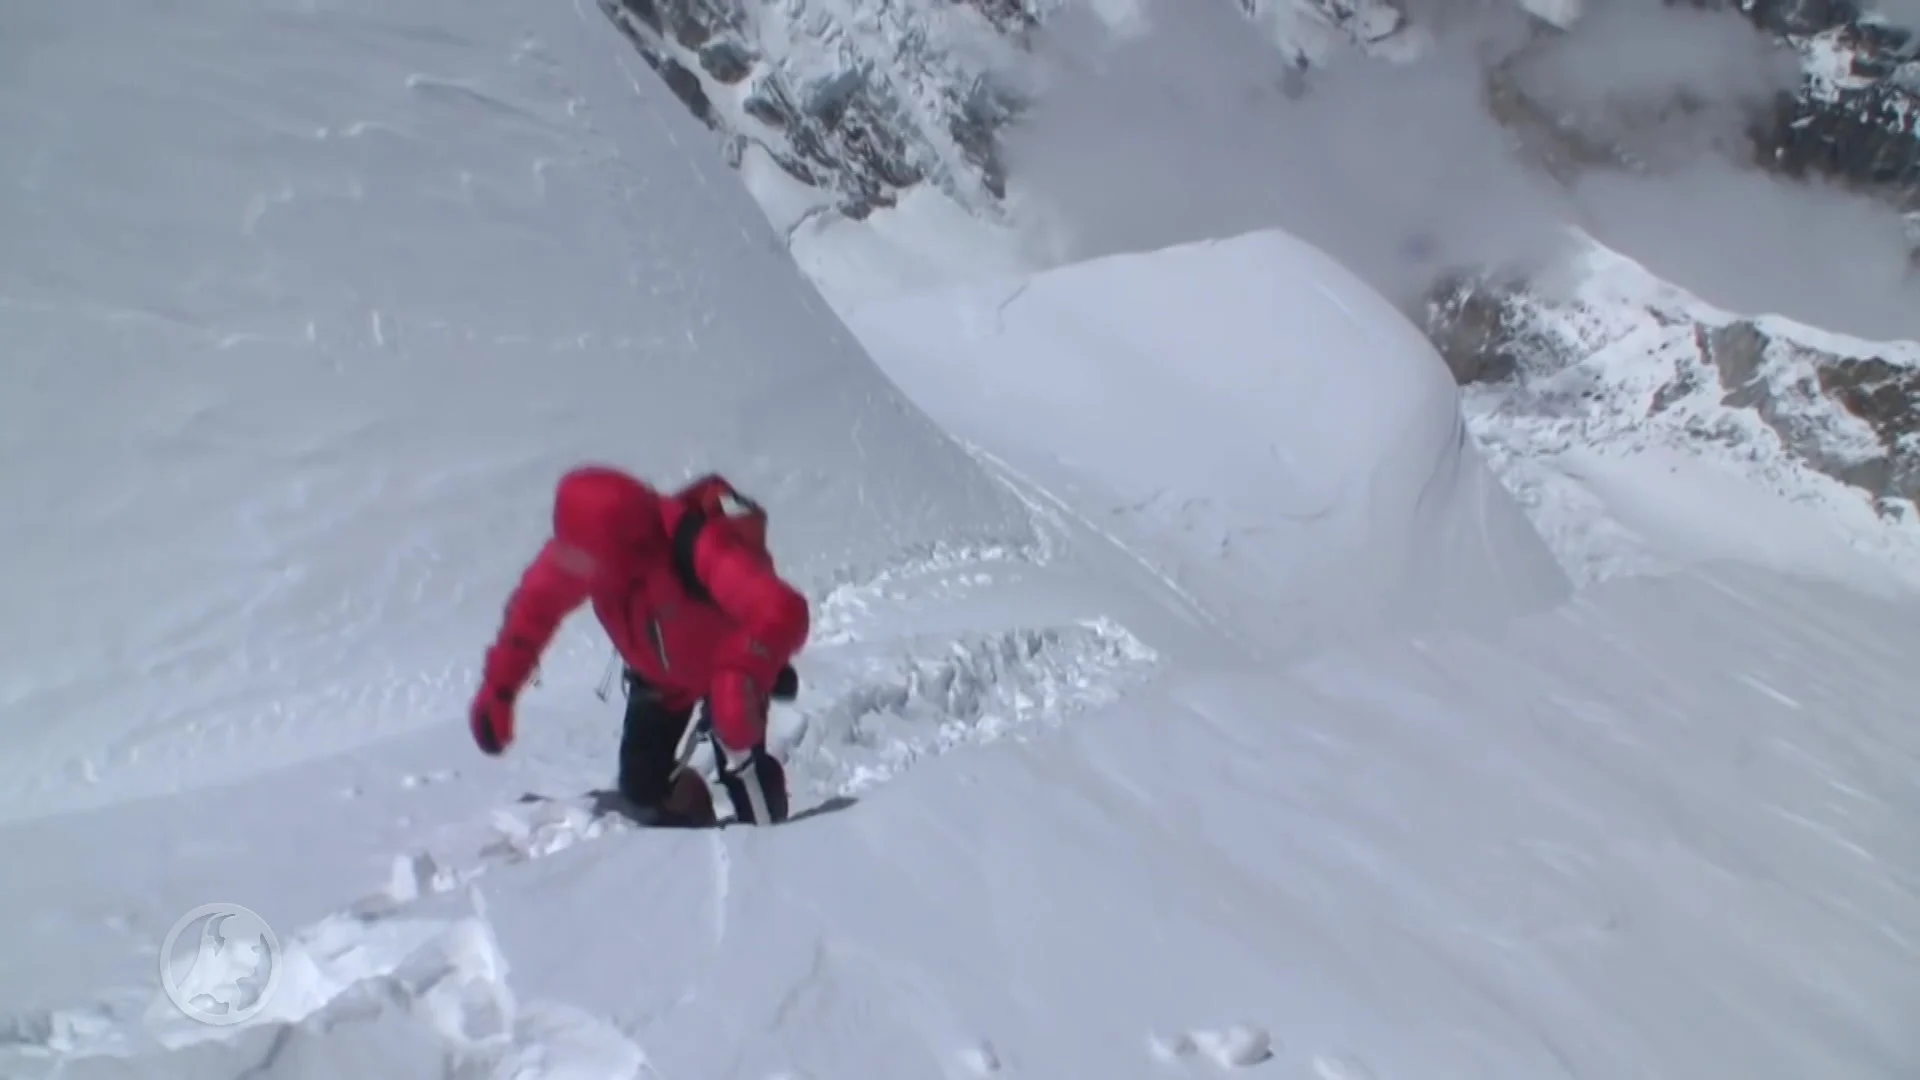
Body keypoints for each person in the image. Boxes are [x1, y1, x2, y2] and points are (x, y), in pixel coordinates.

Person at [467, 465, 809, 826]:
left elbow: (782, 609)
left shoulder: (695, 546)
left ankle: (773, 855)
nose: (574, 568)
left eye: (585, 560)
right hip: (660, 677)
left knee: (749, 788)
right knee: (642, 791)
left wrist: (742, 672)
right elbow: (530, 616)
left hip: (727, 667)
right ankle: (696, 836)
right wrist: (499, 690)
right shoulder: (581, 554)